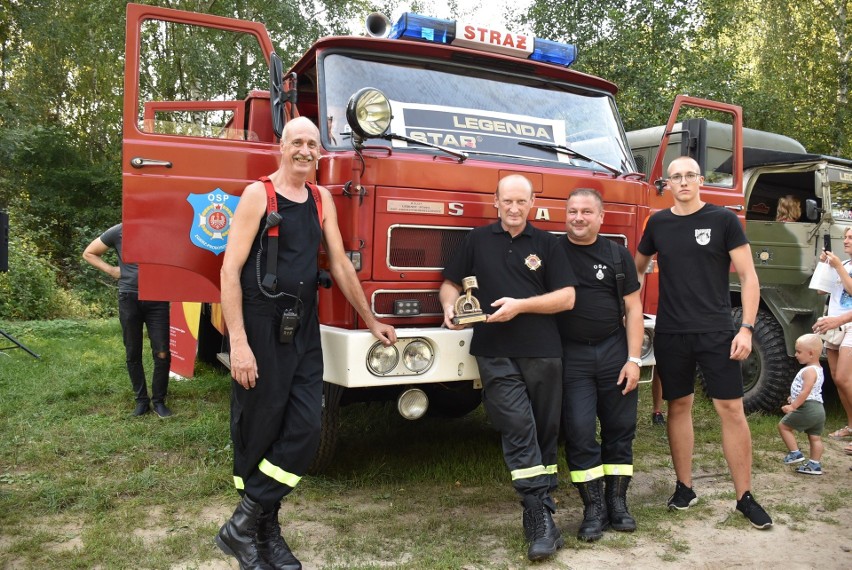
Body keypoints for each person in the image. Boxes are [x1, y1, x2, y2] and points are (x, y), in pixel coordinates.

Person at [216, 117, 397, 570]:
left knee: (305, 429)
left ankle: (243, 523)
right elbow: (229, 272)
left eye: (312, 144)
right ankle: (263, 536)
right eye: (297, 141)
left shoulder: (321, 199)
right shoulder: (259, 195)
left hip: (303, 329)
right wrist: (238, 342)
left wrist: (370, 319)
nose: (304, 149)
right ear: (281, 147)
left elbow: (338, 263)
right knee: (259, 431)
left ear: (320, 151)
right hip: (260, 326)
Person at [439, 174, 576, 561]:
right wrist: (450, 306)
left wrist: (520, 305)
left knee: (545, 431)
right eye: (507, 201)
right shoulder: (477, 240)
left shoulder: (548, 243)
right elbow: (450, 283)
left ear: (532, 203)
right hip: (494, 350)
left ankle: (543, 510)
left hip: (544, 349)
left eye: (521, 202)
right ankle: (537, 516)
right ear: (495, 201)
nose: (514, 209)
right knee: (516, 424)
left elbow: (567, 298)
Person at [635, 156, 773, 530]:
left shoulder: (723, 220)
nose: (683, 182)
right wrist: (627, 311)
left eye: (690, 176)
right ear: (667, 183)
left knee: (730, 409)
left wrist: (745, 328)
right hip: (671, 332)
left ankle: (744, 497)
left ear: (701, 180)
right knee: (678, 405)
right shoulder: (658, 223)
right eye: (676, 177)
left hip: (716, 332)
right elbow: (636, 270)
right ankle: (685, 487)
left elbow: (749, 278)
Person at [556, 188, 643, 542]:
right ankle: (592, 508)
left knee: (620, 430)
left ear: (600, 217)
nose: (578, 217)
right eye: (573, 210)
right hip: (571, 355)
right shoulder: (551, 252)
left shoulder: (616, 254)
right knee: (578, 433)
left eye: (586, 212)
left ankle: (617, 504)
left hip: (614, 351)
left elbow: (634, 308)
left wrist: (634, 360)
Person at [83, 224, 173, 418]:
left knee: (162, 352)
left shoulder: (164, 228)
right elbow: (89, 253)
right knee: (133, 351)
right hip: (129, 297)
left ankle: (158, 401)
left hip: (158, 298)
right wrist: (112, 270)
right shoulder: (119, 231)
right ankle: (141, 401)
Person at [812, 226, 852, 455]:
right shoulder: (844, 265)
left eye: (850, 238)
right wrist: (825, 266)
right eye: (845, 237)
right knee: (837, 379)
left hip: (849, 324)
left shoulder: (843, 266)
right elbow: (820, 291)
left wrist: (836, 266)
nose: (845, 241)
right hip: (834, 324)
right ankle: (850, 425)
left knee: (847, 379)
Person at [778, 334, 825, 475]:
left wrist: (793, 406)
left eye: (798, 352)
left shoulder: (809, 371)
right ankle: (814, 465)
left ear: (811, 354)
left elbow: (806, 391)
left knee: (784, 427)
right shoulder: (819, 369)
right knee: (815, 437)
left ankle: (795, 453)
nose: (796, 355)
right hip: (819, 409)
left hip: (808, 407)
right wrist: (793, 397)